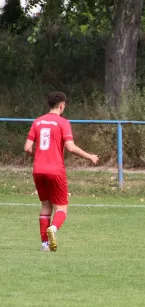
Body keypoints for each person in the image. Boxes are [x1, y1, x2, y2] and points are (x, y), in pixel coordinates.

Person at [24, 91, 99, 252]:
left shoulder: (37, 122)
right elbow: (71, 148)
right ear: (61, 105)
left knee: (45, 206)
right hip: (55, 170)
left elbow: (27, 148)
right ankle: (53, 229)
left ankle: (44, 244)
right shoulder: (63, 122)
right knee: (62, 208)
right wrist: (90, 157)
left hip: (38, 170)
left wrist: (39, 156)